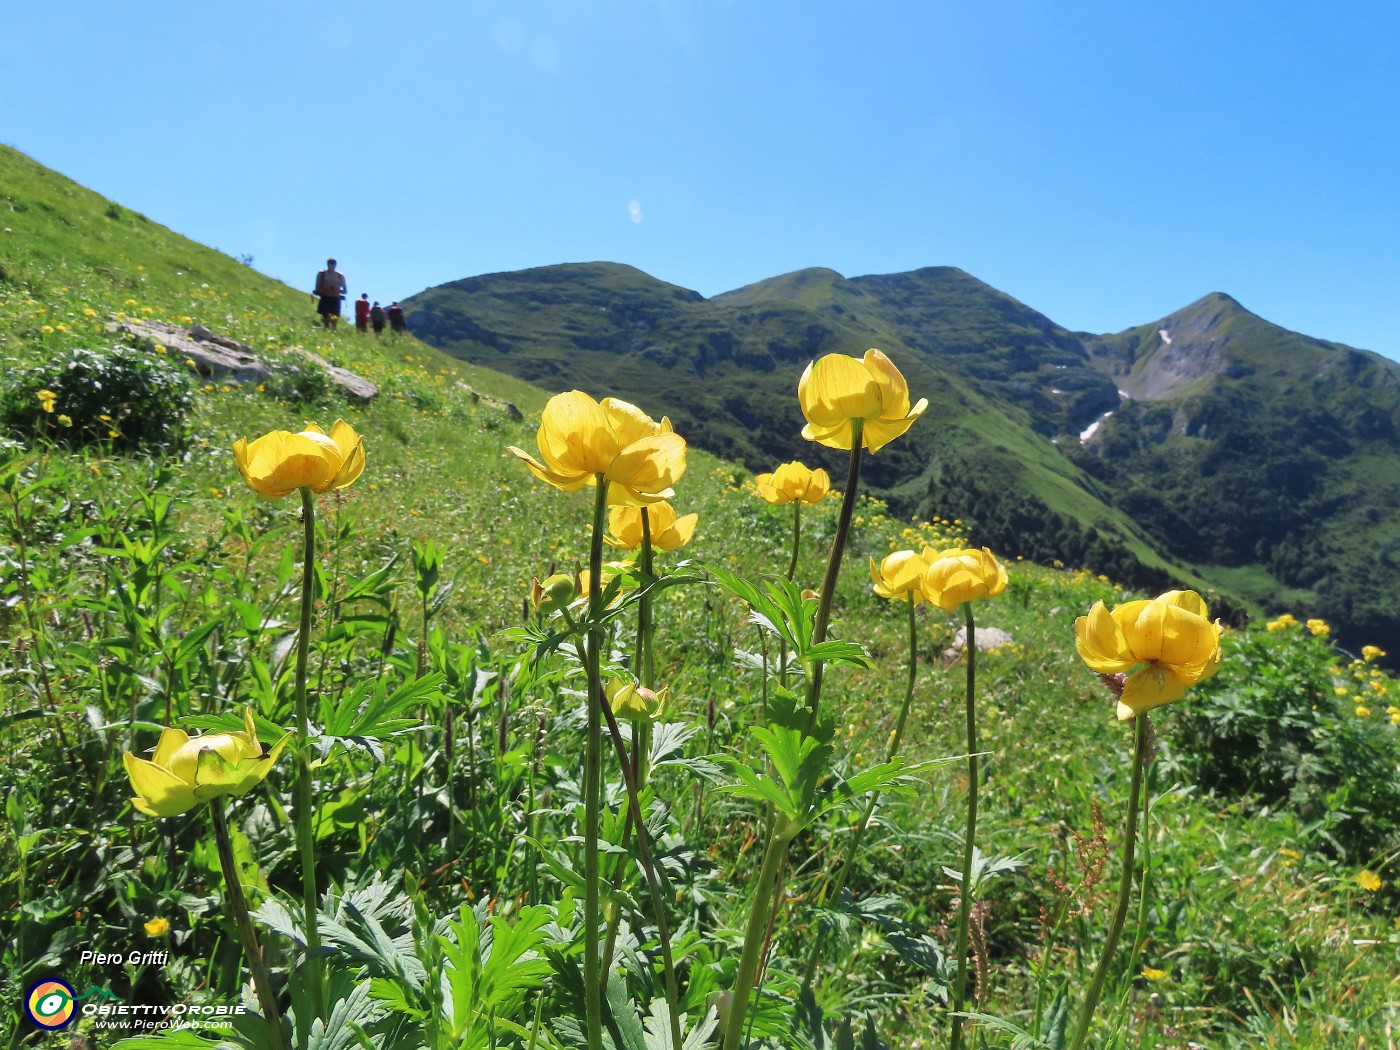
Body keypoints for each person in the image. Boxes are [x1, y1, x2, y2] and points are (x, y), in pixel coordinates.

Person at [313, 259, 347, 329]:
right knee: (326, 318)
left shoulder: (340, 275)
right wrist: (325, 289)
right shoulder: (322, 274)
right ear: (327, 264)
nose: (331, 265)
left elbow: (345, 290)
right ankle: (326, 331)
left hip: (335, 298)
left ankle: (333, 332)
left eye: (333, 264)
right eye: (330, 264)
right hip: (325, 297)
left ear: (335, 265)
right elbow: (317, 287)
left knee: (335, 318)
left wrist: (336, 290)